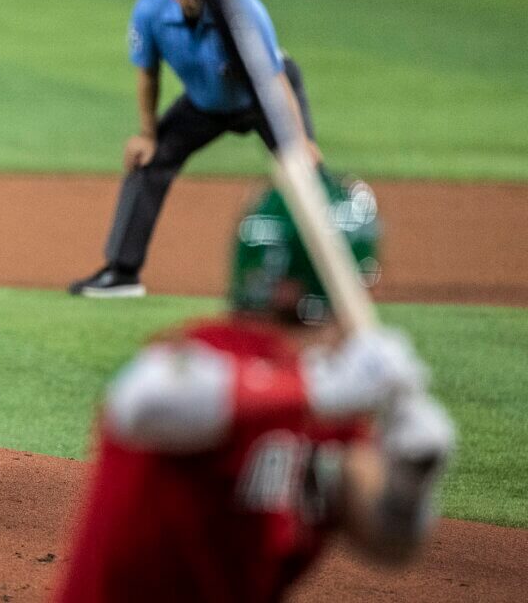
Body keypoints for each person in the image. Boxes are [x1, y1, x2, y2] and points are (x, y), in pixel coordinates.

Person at [54, 175, 455, 602]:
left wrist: (414, 476)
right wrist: (319, 389)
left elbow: (387, 543)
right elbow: (139, 402)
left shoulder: (328, 400)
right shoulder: (205, 355)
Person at [69, 0, 321, 297]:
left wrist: (300, 142)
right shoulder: (150, 11)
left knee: (305, 175)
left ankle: (328, 276)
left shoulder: (242, 11)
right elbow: (148, 74)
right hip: (205, 104)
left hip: (265, 99)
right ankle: (122, 273)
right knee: (149, 163)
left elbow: (276, 79)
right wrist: (147, 135)